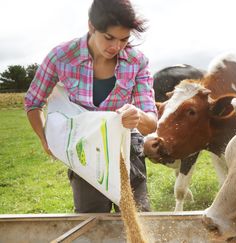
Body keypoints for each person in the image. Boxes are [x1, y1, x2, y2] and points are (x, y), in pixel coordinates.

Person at [24, 0, 157, 213]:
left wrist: (137, 115)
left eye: (124, 39)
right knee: (91, 220)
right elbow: (33, 102)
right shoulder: (61, 56)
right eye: (109, 38)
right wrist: (44, 138)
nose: (116, 47)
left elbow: (150, 124)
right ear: (91, 26)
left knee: (138, 216)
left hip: (126, 148)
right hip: (84, 148)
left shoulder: (137, 61)